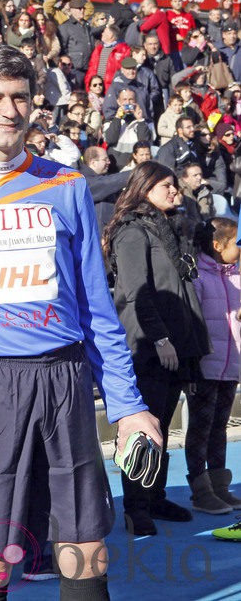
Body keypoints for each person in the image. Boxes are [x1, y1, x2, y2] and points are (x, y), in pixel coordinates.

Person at [0, 45, 160, 601]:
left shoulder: (66, 185)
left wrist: (129, 404)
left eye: (20, 97)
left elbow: (97, 307)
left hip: (65, 377)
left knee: (84, 549)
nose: (9, 110)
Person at [103, 162, 209, 536]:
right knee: (144, 428)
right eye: (167, 185)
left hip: (174, 343)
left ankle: (156, 496)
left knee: (162, 424)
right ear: (145, 187)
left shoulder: (166, 230)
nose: (175, 191)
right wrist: (161, 338)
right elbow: (137, 292)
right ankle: (136, 507)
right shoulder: (132, 232)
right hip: (149, 345)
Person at [189, 219, 241, 515]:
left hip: (230, 365)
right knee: (200, 428)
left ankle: (220, 484)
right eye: (237, 242)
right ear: (218, 245)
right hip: (206, 366)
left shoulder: (236, 276)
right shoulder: (198, 276)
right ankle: (200, 489)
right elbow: (195, 323)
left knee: (219, 427)